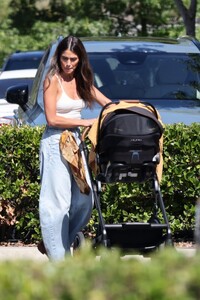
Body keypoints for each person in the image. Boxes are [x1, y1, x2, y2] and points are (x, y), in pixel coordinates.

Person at [38, 35, 111, 261]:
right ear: (58, 58)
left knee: (84, 201)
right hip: (55, 142)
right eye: (64, 58)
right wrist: (86, 122)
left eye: (73, 59)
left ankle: (53, 242)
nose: (68, 64)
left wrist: (126, 110)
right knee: (57, 205)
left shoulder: (82, 80)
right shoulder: (52, 79)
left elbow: (108, 104)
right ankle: (60, 262)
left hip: (75, 143)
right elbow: (51, 118)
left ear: (80, 60)